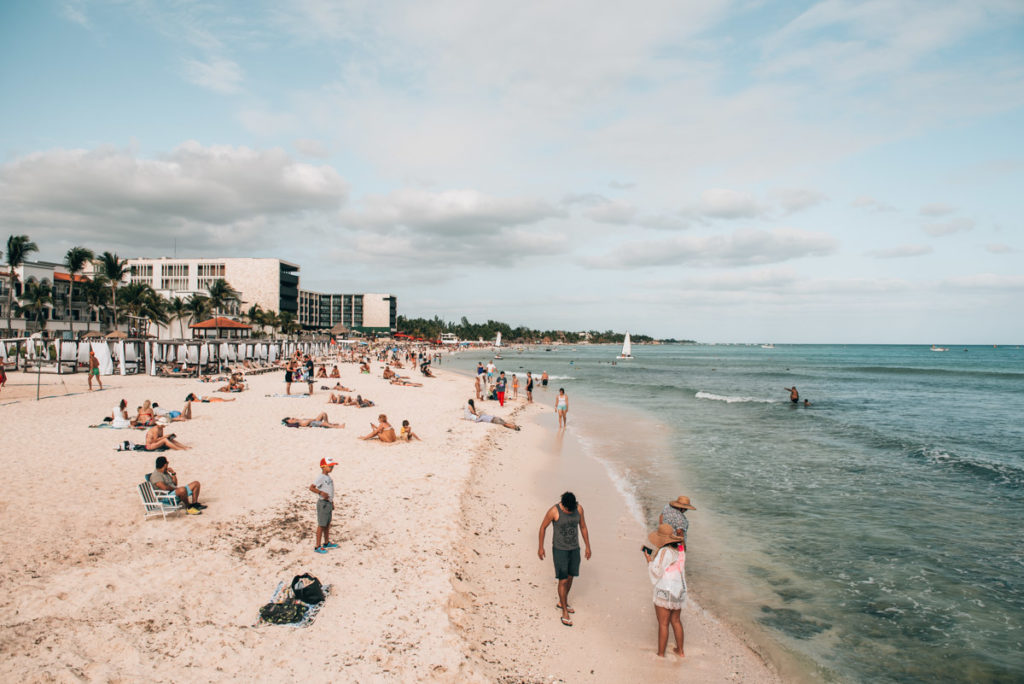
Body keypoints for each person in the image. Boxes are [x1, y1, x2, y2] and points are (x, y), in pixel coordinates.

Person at [538, 492, 592, 627]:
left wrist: (587, 547)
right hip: (560, 550)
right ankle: (564, 612)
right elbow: (543, 527)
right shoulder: (554, 511)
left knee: (570, 577)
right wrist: (541, 547)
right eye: (568, 510)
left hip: (574, 549)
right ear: (563, 506)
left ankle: (563, 602)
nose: (570, 512)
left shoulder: (578, 509)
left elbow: (583, 527)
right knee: (562, 580)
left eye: (571, 509)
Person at [643, 523, 687, 657]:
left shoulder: (664, 551)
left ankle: (661, 653)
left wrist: (649, 560)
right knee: (676, 621)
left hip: (665, 590)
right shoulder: (680, 549)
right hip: (679, 590)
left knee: (663, 624)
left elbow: (657, 571)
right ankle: (680, 650)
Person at [309, 457, 339, 554]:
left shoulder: (328, 477)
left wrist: (332, 502)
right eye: (330, 466)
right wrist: (320, 492)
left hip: (328, 503)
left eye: (332, 466)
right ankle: (317, 546)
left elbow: (330, 491)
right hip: (323, 504)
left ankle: (326, 542)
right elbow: (311, 487)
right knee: (321, 525)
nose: (332, 468)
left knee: (327, 524)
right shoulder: (321, 477)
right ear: (323, 467)